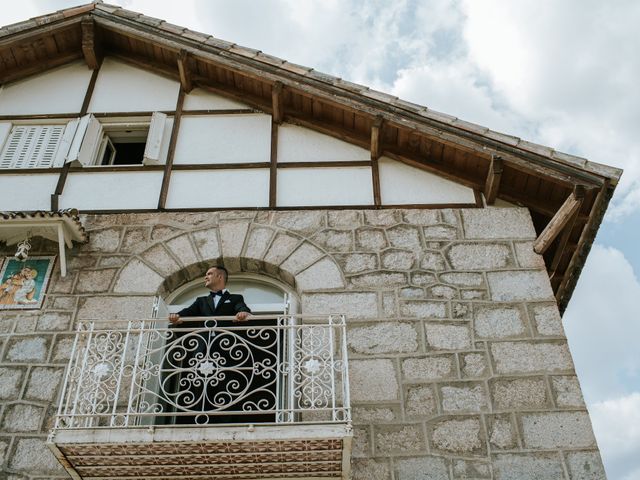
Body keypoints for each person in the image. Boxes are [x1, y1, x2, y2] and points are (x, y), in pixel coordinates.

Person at [164, 266, 276, 424]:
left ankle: (226, 419)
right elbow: (187, 313)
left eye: (209, 273)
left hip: (226, 349)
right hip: (203, 350)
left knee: (227, 383)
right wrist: (176, 316)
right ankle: (197, 418)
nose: (206, 277)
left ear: (220, 277)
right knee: (198, 383)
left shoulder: (235, 298)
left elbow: (242, 309)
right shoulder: (201, 301)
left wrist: (243, 314)